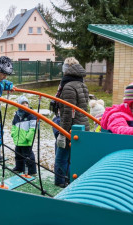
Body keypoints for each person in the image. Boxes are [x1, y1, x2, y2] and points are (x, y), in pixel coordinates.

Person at [55, 57, 90, 187]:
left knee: (61, 157)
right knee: (72, 156)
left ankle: (62, 181)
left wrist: (62, 133)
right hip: (82, 123)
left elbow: (68, 112)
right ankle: (68, 179)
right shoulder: (81, 84)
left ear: (66, 69)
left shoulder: (68, 86)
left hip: (72, 126)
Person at [11, 96, 37, 175]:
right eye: (23, 103)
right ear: (18, 105)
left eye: (26, 103)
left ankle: (32, 171)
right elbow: (13, 125)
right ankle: (19, 168)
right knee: (18, 155)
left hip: (26, 140)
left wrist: (28, 137)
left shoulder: (31, 115)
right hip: (18, 139)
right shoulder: (17, 115)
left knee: (28, 156)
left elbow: (33, 128)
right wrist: (13, 134)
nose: (25, 104)